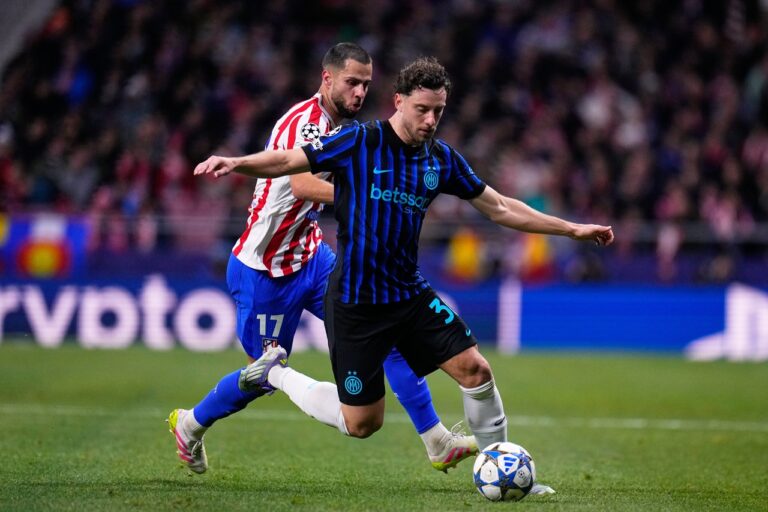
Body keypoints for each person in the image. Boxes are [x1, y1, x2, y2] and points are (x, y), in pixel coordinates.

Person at [194, 56, 614, 489]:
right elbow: (289, 163)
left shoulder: (441, 160)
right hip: (356, 304)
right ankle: (276, 373)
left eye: (438, 111)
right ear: (398, 101)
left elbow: (501, 207)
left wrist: (571, 229)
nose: (431, 120)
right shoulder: (360, 140)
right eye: (422, 109)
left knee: (476, 370)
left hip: (409, 295)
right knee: (361, 423)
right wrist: (236, 162)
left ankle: (501, 468)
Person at [169, 45, 477, 475]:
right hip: (266, 269)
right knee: (263, 374)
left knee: (388, 330)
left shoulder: (345, 127)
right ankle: (190, 424)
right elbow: (302, 185)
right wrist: (375, 197)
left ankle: (437, 440)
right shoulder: (305, 123)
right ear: (327, 78)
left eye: (366, 84)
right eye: (352, 82)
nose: (360, 92)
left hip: (311, 257)